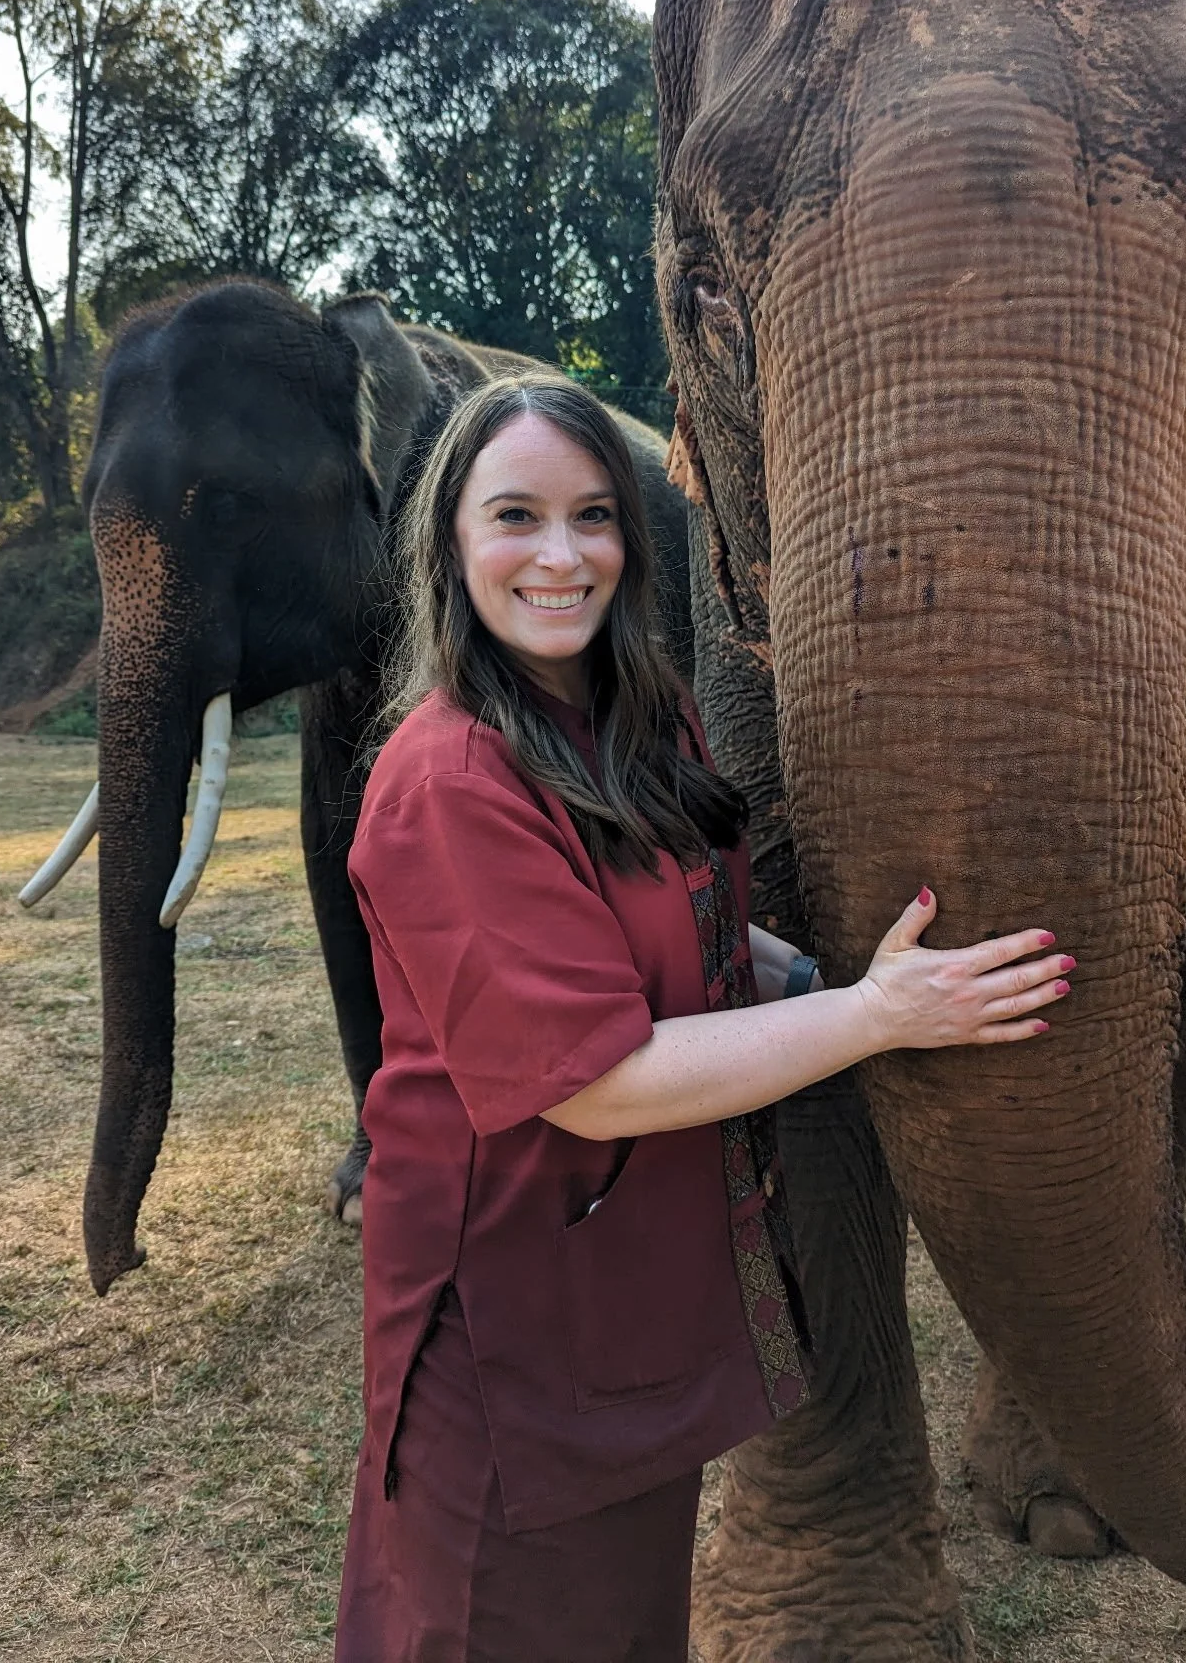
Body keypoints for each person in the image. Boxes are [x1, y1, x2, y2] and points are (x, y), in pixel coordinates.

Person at [333, 378, 1072, 1662]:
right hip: (509, 1325)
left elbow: (694, 932)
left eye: (594, 516)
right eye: (516, 515)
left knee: (623, 1618)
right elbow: (599, 1078)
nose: (562, 556)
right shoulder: (447, 779)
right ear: (449, 542)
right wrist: (871, 1017)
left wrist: (858, 983)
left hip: (625, 1297)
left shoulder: (638, 713)